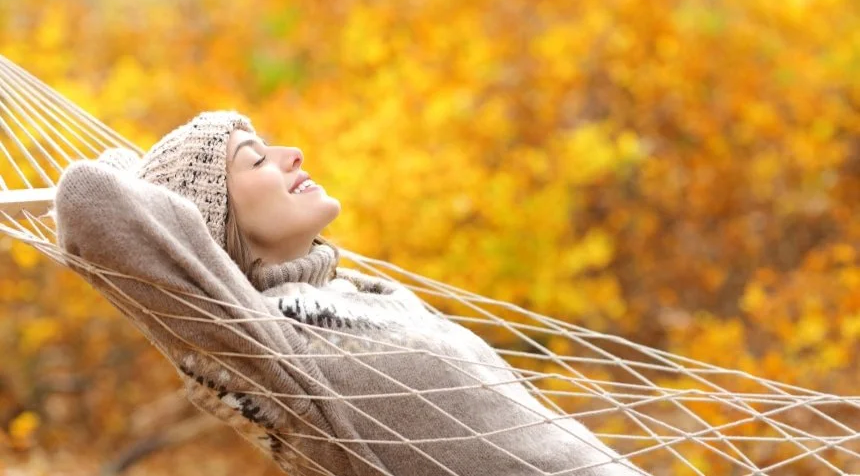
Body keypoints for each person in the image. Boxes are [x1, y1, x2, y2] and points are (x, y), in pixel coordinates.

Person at [55, 111, 644, 476]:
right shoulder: (270, 351)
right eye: (255, 157)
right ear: (211, 227)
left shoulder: (362, 294)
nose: (293, 155)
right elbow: (91, 197)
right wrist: (162, 184)